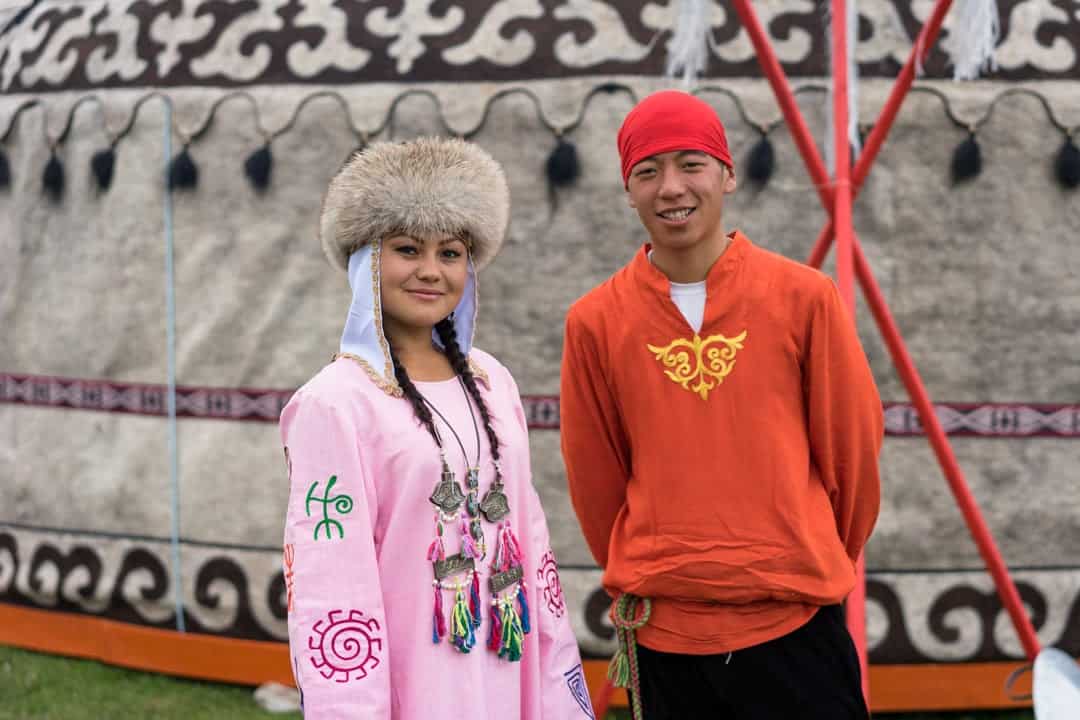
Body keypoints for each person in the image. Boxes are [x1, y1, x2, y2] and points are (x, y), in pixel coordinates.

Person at [559, 90, 883, 719]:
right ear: (628, 191)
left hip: (795, 622)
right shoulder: (596, 321)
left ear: (728, 174)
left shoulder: (803, 297)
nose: (670, 187)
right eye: (647, 171)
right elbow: (596, 480)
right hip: (666, 631)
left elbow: (853, 455)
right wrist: (662, 556)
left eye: (691, 164)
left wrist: (795, 550)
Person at [282, 137, 592, 719]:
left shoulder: (492, 380)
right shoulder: (335, 403)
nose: (430, 271)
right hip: (412, 677)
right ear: (365, 261)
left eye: (450, 253)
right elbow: (332, 583)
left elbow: (530, 534)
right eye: (407, 249)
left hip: (506, 656)